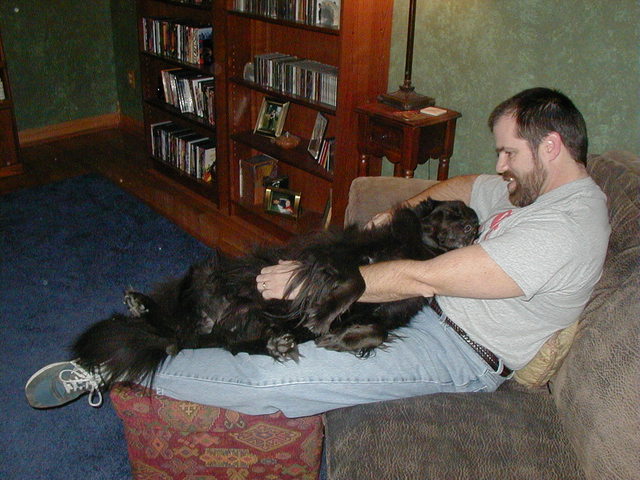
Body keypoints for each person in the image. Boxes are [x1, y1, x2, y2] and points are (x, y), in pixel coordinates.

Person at [25, 87, 610, 417]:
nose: (500, 166)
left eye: (509, 153)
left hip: (459, 350)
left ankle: (117, 369)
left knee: (268, 380)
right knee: (253, 293)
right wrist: (392, 215)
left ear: (550, 146)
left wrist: (317, 282)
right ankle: (157, 323)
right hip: (419, 308)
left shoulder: (568, 224)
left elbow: (427, 278)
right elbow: (465, 184)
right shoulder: (528, 189)